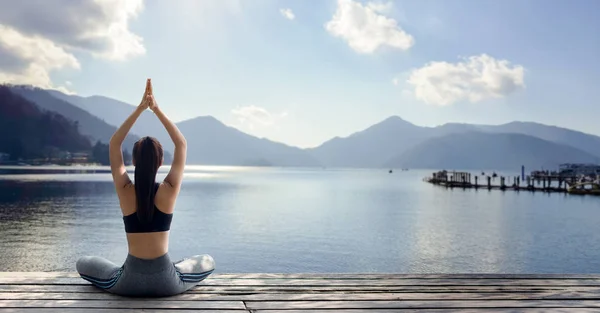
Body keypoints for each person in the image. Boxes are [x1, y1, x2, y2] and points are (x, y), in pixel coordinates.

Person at [76, 79, 215, 297]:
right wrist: (156, 109)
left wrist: (140, 109)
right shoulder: (168, 190)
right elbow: (181, 144)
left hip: (128, 282)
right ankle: (178, 266)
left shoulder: (124, 189)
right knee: (207, 260)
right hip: (166, 283)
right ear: (160, 163)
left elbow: (114, 144)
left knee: (83, 262)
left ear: (133, 161)